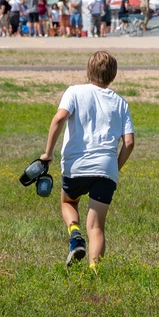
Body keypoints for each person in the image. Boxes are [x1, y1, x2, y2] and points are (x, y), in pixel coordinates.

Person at [38, 51, 135, 270]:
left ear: (87, 71)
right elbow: (129, 143)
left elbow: (59, 118)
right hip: (107, 168)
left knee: (68, 202)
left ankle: (75, 237)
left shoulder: (74, 92)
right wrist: (114, 168)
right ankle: (94, 273)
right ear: (113, 75)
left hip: (76, 165)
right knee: (97, 227)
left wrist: (48, 153)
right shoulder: (121, 103)